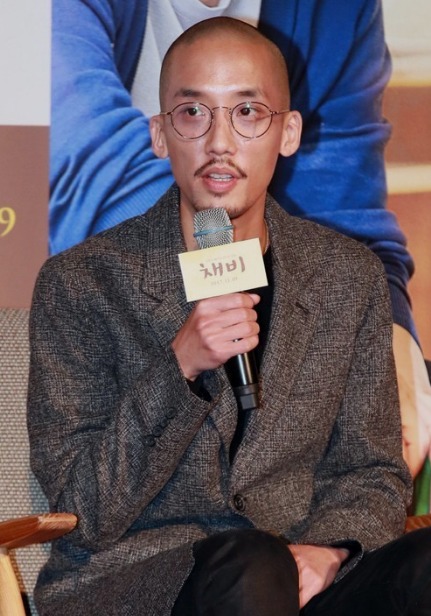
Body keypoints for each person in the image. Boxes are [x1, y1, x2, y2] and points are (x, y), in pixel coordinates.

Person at [29, 17, 431, 615]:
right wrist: (180, 367)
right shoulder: (82, 283)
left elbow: (370, 470)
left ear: (288, 133)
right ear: (160, 134)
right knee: (253, 565)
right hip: (143, 580)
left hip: (300, 570)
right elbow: (81, 508)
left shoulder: (347, 278)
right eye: (193, 113)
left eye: (247, 113)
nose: (220, 142)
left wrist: (331, 550)